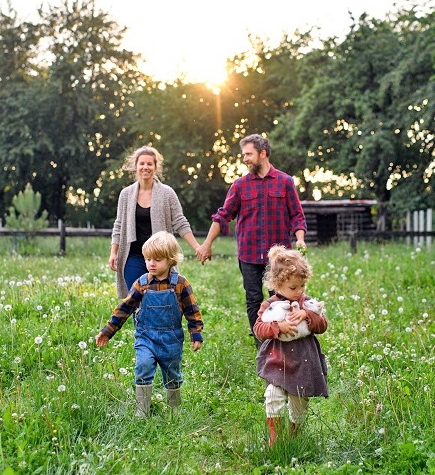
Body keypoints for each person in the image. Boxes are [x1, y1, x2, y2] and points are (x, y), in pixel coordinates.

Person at [196, 134, 307, 347]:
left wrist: (300, 239)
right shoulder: (240, 185)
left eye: (248, 154)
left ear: (262, 153)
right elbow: (223, 215)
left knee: (282, 298)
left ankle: (285, 342)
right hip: (249, 253)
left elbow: (297, 215)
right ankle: (263, 345)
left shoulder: (285, 182)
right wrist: (206, 244)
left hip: (279, 258)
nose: (245, 159)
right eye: (244, 154)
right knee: (254, 299)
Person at [96, 231, 204, 417]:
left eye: (157, 259)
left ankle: (174, 410)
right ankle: (142, 410)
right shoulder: (141, 283)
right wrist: (108, 331)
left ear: (171, 260)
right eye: (148, 259)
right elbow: (125, 307)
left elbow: (192, 310)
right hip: (146, 337)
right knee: (143, 366)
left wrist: (196, 334)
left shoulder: (180, 284)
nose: (151, 264)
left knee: (173, 374)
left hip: (171, 339)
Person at [252, 245, 328, 446]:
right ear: (277, 285)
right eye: (293, 288)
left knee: (299, 401)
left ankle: (295, 434)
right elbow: (258, 328)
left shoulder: (308, 303)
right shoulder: (269, 305)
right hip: (277, 359)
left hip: (303, 361)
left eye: (302, 286)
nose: (299, 291)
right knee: (273, 396)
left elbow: (323, 326)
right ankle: (275, 438)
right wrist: (278, 326)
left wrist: (308, 315)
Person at [109, 145, 201, 300]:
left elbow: (180, 222)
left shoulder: (167, 193)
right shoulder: (125, 195)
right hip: (134, 256)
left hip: (160, 257)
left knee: (161, 298)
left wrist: (197, 247)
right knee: (135, 299)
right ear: (136, 167)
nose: (145, 167)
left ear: (155, 167)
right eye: (142, 163)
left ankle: (159, 325)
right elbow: (118, 225)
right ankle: (139, 326)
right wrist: (113, 252)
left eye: (149, 164)